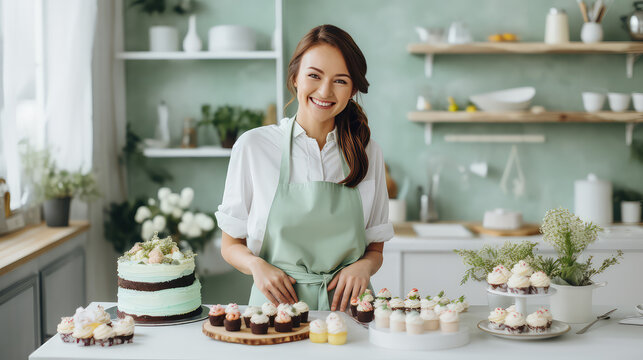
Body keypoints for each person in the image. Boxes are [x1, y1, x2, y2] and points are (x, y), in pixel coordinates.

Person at [216, 24, 393, 311]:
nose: (325, 91)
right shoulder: (254, 147)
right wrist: (256, 266)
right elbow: (230, 244)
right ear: (295, 77)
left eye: (340, 80)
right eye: (314, 75)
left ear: (353, 89)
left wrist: (364, 268)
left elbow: (375, 247)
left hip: (350, 308)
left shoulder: (367, 150)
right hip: (274, 310)